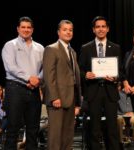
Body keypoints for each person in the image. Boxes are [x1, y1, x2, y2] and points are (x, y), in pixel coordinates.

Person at [79, 16, 122, 150]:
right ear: (93, 30)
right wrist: (85, 74)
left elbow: (121, 71)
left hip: (110, 92)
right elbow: (79, 69)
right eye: (98, 27)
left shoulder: (115, 47)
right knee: (94, 130)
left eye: (103, 26)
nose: (101, 29)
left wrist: (115, 78)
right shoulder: (86, 48)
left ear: (108, 29)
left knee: (112, 129)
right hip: (93, 92)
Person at [1, 16, 44, 150]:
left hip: (34, 90)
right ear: (18, 29)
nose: (26, 30)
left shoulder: (40, 48)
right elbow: (10, 67)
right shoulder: (10, 45)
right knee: (13, 127)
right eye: (23, 27)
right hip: (15, 89)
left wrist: (37, 80)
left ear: (32, 29)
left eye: (28, 27)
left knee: (33, 129)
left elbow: (45, 68)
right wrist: (29, 78)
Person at [43, 19, 81, 150]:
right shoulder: (51, 49)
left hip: (70, 100)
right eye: (65, 29)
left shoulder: (73, 52)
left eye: (70, 30)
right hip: (57, 100)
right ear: (58, 32)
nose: (68, 32)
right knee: (55, 136)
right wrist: (54, 97)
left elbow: (74, 78)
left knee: (67, 136)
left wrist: (77, 102)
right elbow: (49, 75)